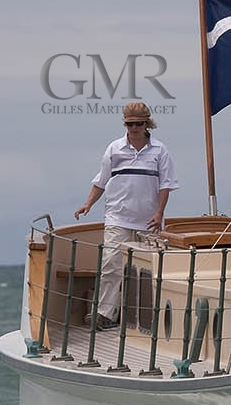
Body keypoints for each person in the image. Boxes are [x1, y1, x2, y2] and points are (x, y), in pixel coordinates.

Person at [74, 101, 179, 329]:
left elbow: (166, 185)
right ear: (125, 124)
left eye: (139, 123)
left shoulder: (160, 151)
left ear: (147, 123)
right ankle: (104, 314)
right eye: (131, 124)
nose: (135, 128)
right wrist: (88, 204)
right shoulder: (114, 149)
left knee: (146, 271)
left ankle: (144, 320)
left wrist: (159, 212)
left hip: (148, 221)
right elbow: (101, 181)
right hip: (117, 216)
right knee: (111, 264)